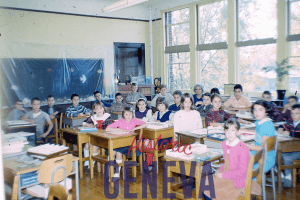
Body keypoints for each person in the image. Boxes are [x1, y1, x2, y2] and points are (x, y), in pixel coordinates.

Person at [204, 118, 261, 199]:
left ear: (238, 132)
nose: (229, 133)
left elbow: (242, 172)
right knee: (205, 182)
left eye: (233, 130)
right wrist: (219, 170)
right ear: (224, 132)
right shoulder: (225, 144)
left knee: (212, 189)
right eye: (227, 130)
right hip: (228, 175)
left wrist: (223, 175)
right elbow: (227, 163)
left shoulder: (243, 148)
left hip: (238, 181)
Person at [106, 107, 147, 179]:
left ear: (132, 115)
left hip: (130, 145)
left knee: (117, 151)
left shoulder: (134, 120)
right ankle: (111, 170)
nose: (128, 116)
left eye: (130, 114)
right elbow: (107, 128)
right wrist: (119, 130)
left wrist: (135, 129)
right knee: (113, 151)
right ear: (123, 115)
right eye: (126, 114)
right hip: (120, 143)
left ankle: (116, 172)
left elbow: (145, 124)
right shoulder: (120, 121)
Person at [82, 102, 114, 174]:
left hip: (104, 138)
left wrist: (96, 126)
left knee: (95, 147)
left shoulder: (107, 117)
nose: (99, 110)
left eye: (100, 108)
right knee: (87, 145)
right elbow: (83, 122)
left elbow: (108, 128)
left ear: (103, 109)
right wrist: (89, 125)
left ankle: (91, 165)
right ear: (94, 111)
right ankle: (87, 163)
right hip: (95, 137)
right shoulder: (94, 117)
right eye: (96, 109)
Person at [245, 100, 276, 173]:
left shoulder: (267, 125)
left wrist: (247, 146)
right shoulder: (261, 122)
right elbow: (257, 133)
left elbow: (263, 148)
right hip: (259, 154)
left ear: (266, 111)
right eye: (255, 110)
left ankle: (251, 183)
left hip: (265, 158)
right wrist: (242, 131)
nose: (257, 112)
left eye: (260, 110)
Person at [277, 104, 300, 187]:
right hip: (293, 147)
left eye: (297, 113)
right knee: (278, 153)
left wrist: (290, 133)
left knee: (287, 157)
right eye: (292, 113)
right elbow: (282, 125)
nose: (294, 115)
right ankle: (281, 174)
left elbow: (298, 135)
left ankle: (288, 177)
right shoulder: (291, 121)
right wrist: (280, 128)